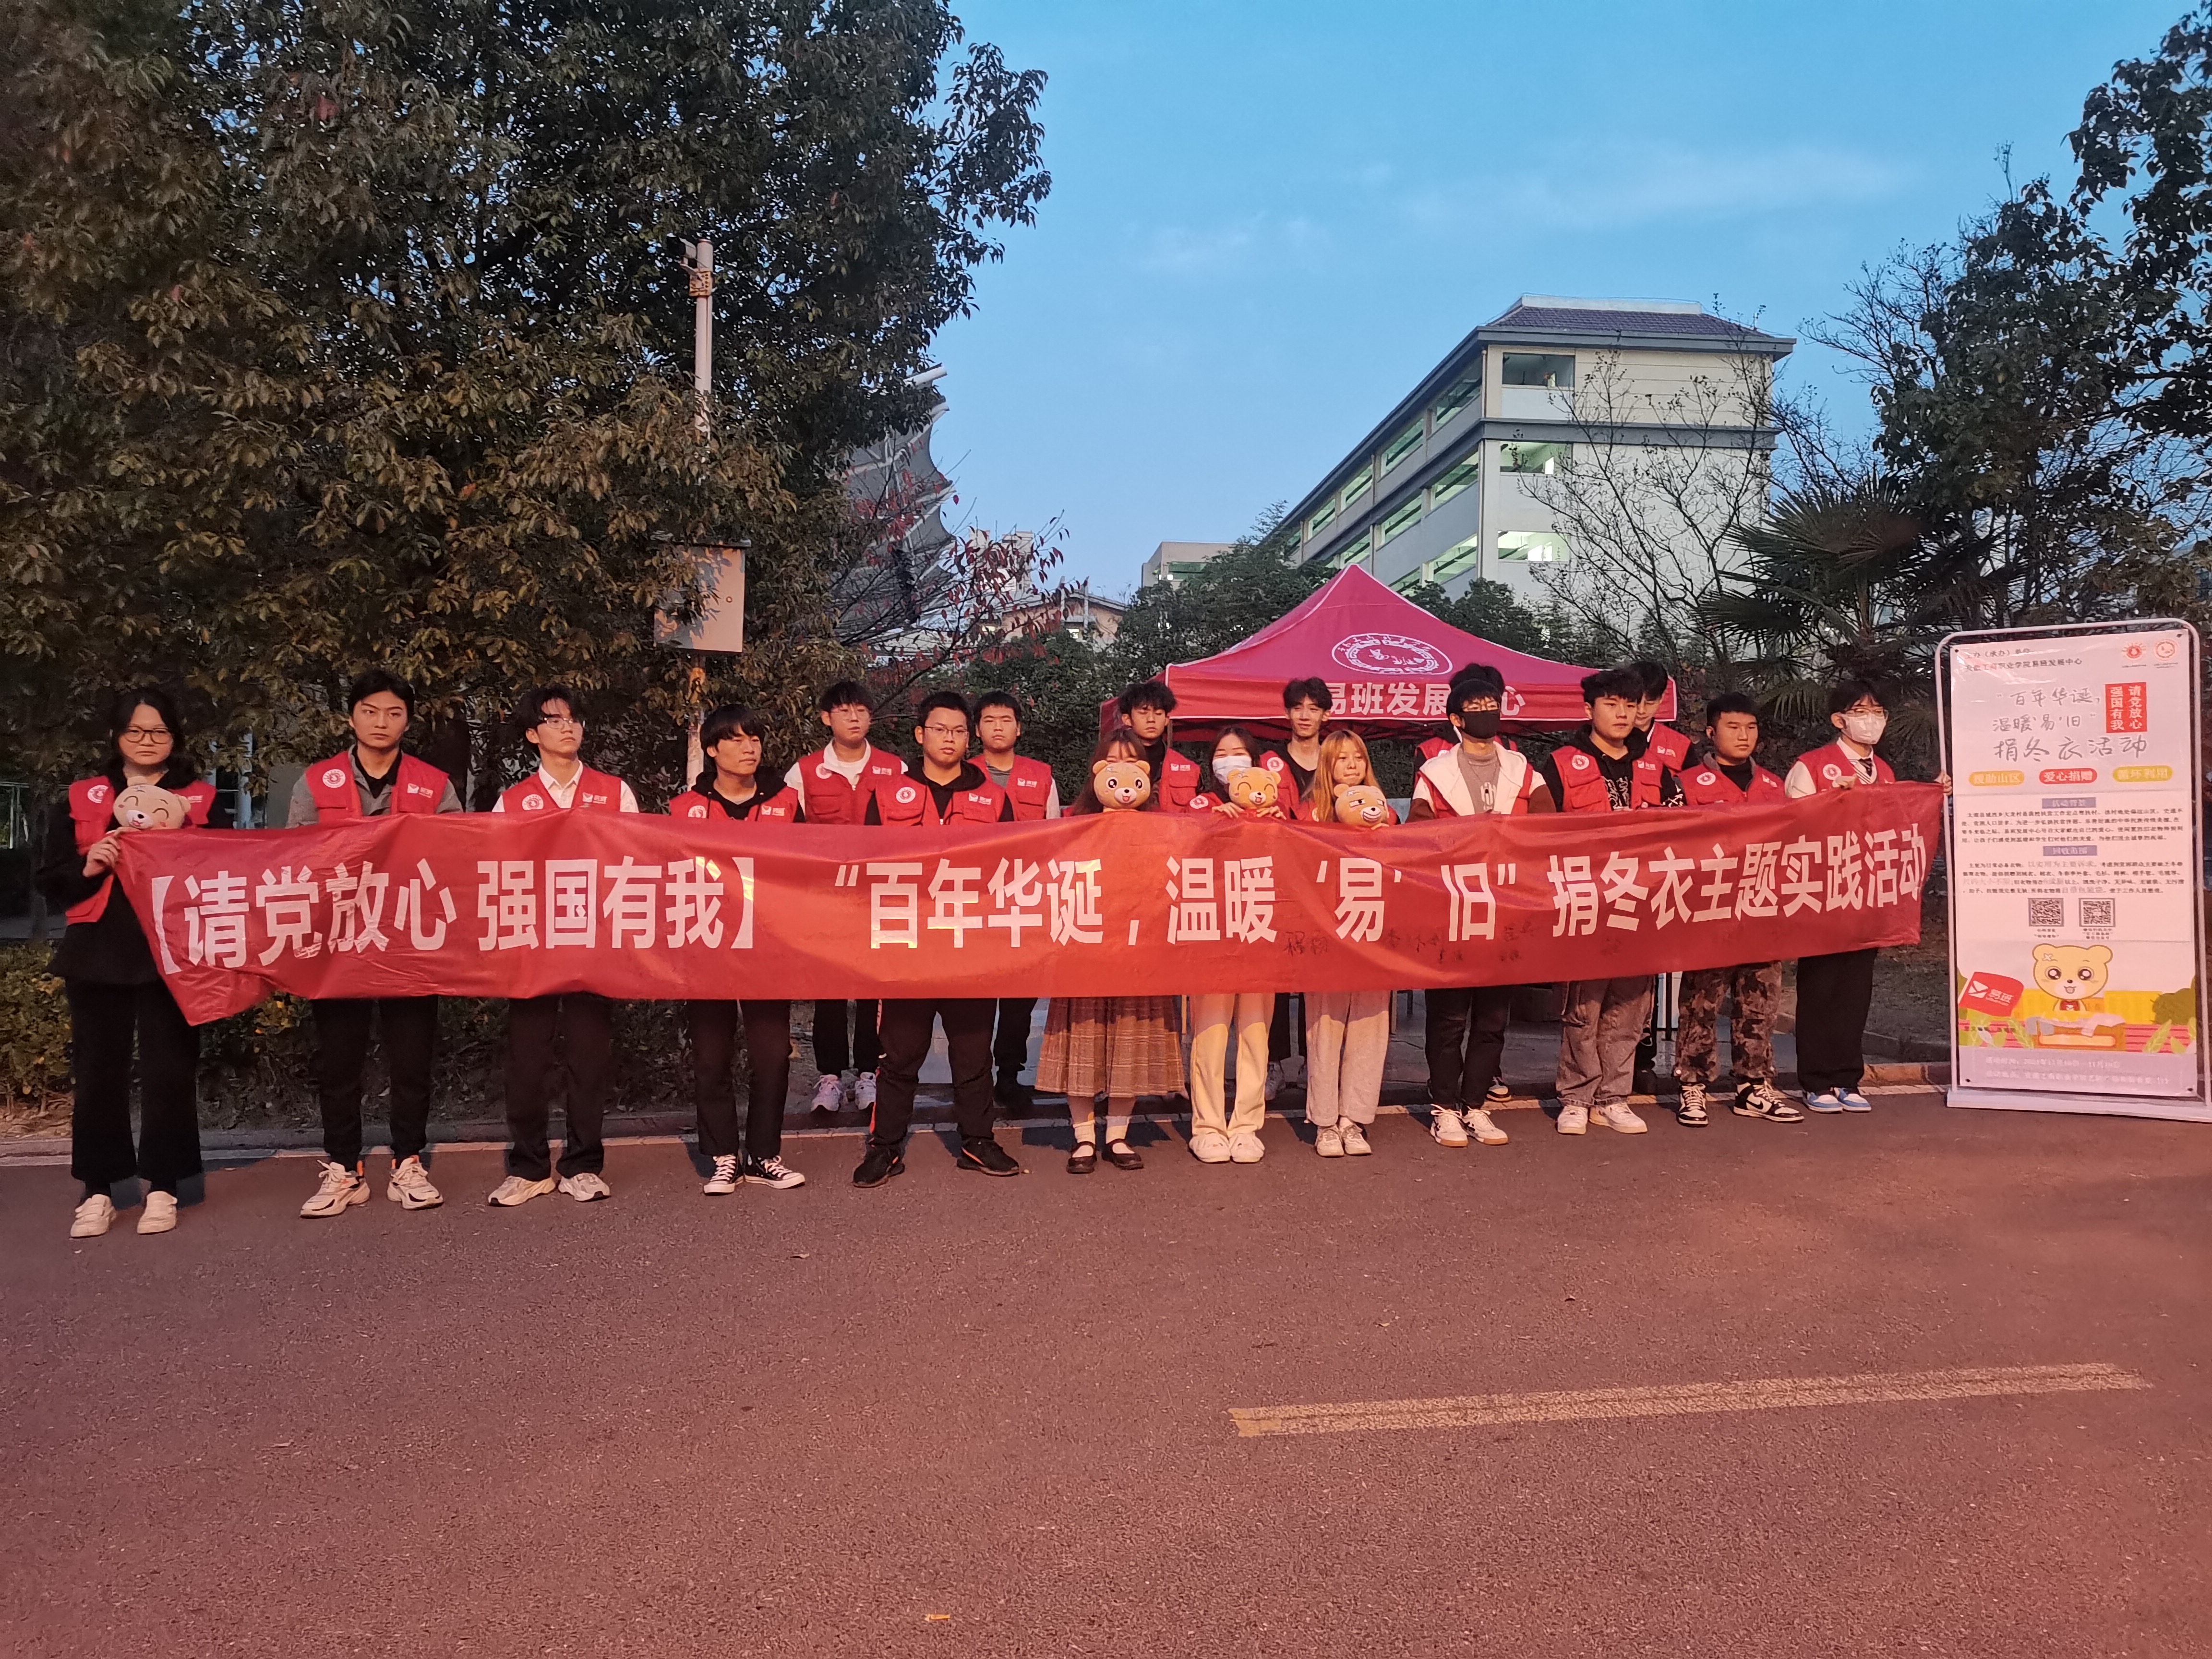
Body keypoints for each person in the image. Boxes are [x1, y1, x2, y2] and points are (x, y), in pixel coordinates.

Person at [42, 688, 230, 1238]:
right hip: (97, 950)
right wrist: (90, 865)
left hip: (173, 953)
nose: (148, 741)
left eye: (159, 731)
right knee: (99, 1074)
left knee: (170, 1071)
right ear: (115, 736)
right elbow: (50, 879)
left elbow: (230, 870)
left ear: (175, 737)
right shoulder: (82, 797)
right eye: (136, 731)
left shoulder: (200, 799)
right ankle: (98, 1190)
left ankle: (163, 1186)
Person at [291, 669, 463, 1220]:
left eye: (393, 713)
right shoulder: (316, 783)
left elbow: (458, 854)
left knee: (411, 1060)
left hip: (411, 941)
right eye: (370, 711)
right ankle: (345, 1167)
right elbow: (295, 857)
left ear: (407, 721)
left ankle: (408, 1162)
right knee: (339, 1062)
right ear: (352, 717)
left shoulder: (434, 784)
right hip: (338, 943)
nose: (381, 722)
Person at [852, 692, 1023, 1186]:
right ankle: (885, 1147)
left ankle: (978, 1140)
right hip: (907, 945)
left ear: (969, 739)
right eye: (939, 729)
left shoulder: (994, 798)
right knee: (900, 1054)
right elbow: (866, 866)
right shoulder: (889, 795)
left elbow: (1011, 868)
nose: (949, 739)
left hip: (971, 945)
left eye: (958, 731)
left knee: (973, 1053)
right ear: (919, 734)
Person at [485, 687, 638, 1207]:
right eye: (554, 721)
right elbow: (497, 871)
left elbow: (635, 861)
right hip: (533, 948)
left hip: (595, 946)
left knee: (589, 1062)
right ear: (533, 734)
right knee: (526, 1063)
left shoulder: (614, 792)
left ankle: (583, 1165)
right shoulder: (513, 800)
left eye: (574, 719)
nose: (568, 728)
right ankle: (529, 1167)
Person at [1534, 667, 1684, 1137]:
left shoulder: (1658, 768)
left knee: (1631, 1006)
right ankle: (1577, 1097)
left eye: (1630, 705)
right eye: (1611, 704)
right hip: (1585, 902)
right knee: (1583, 1006)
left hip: (1641, 902)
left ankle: (1614, 1096)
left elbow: (1684, 831)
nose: (1622, 713)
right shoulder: (1560, 764)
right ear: (1589, 709)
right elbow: (1538, 835)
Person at [1409, 665, 1554, 1149]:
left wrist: (1505, 833)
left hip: (1506, 910)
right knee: (1449, 1018)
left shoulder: (1522, 769)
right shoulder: (1434, 773)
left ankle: (1476, 1104)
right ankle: (1444, 1106)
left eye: (1492, 708)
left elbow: (1547, 823)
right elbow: (1420, 834)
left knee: (1493, 1019)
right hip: (1453, 908)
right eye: (1475, 710)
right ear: (1456, 719)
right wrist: (1474, 834)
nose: (1485, 715)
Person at [670, 704, 807, 1195]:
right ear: (712, 749)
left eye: (755, 738)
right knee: (712, 1058)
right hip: (708, 948)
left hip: (768, 949)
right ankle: (724, 1156)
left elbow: (809, 869)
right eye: (736, 739)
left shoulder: (786, 803)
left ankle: (765, 1155)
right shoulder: (685, 809)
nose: (749, 748)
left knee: (772, 1057)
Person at [1039, 724, 1187, 1173]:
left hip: (1139, 951)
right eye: (1113, 760)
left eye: (1132, 760)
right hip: (1085, 948)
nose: (1122, 772)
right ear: (1098, 769)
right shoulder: (1074, 821)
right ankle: (1084, 1138)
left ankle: (1118, 1135)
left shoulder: (1163, 827)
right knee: (1082, 1042)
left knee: (1130, 1041)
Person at [1672, 694, 1803, 1127]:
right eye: (1733, 727)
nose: (1744, 736)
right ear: (1711, 733)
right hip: (1708, 912)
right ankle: (1693, 1085)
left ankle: (1753, 1085)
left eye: (1750, 727)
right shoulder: (1687, 785)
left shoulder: (1773, 786)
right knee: (1701, 1003)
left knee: (1759, 1003)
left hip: (1762, 910)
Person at [784, 680, 905, 1117]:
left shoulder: (895, 769)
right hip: (826, 900)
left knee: (874, 988)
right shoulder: (804, 772)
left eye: (861, 710)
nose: (854, 718)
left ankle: (870, 1073)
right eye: (844, 711)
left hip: (879, 896)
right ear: (826, 718)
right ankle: (831, 1077)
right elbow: (786, 837)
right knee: (830, 989)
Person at [1784, 677, 1900, 1113]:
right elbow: (1791, 824)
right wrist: (1831, 802)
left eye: (1878, 712)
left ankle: (1848, 1077)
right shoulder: (1813, 766)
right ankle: (1816, 1080)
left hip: (1867, 894)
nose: (1872, 721)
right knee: (1821, 987)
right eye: (1861, 712)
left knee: (1856, 989)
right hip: (1822, 893)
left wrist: (1933, 794)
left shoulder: (1884, 770)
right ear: (1839, 720)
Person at [1181, 727, 1280, 1164]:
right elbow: (1181, 851)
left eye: (1239, 753)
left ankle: (1246, 1126)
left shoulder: (1275, 809)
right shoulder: (1201, 805)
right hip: (1212, 934)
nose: (1230, 760)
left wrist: (1276, 824)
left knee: (1256, 1034)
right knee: (1210, 1034)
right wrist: (1211, 824)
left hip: (1260, 932)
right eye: (1221, 754)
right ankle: (1207, 1127)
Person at [1301, 731, 1396, 1157]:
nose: (1353, 765)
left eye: (1358, 757)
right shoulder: (1310, 812)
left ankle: (1354, 1119)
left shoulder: (1385, 812)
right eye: (1342, 759)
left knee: (1370, 1029)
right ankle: (1324, 1122)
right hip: (1327, 938)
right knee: (1325, 1029)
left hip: (1375, 935)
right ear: (1328, 766)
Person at [974, 689, 1060, 1114]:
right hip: (974, 900)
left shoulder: (1041, 776)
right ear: (977, 729)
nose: (998, 727)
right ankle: (974, 1079)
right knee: (975, 996)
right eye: (989, 720)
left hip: (1025, 898)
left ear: (1019, 728)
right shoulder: (962, 774)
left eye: (1006, 720)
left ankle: (1009, 1076)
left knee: (1019, 999)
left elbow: (1057, 836)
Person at [1262, 677, 1334, 1092]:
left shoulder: (1338, 759)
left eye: (1314, 708)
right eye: (1298, 707)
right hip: (1278, 881)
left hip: (1324, 883)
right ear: (1287, 713)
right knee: (1275, 977)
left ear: (1326, 715)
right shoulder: (1269, 762)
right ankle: (1273, 1063)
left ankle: (1313, 1060)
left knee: (1316, 975)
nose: (1305, 715)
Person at [1117, 678, 1203, 809]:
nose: (1151, 719)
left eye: (1158, 713)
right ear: (1127, 719)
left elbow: (1202, 812)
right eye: (1143, 713)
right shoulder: (1113, 762)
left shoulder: (1189, 769)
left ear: (1167, 720)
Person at [1629, 659, 1691, 771]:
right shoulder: (1607, 738)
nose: (1641, 710)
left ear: (1661, 698)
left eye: (1650, 703)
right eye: (1636, 702)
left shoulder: (1681, 745)